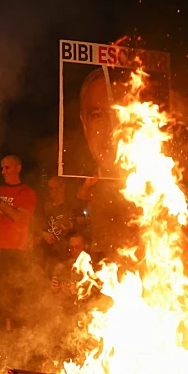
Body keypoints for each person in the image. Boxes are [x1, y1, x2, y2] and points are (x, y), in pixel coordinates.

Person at [75, 69, 138, 260]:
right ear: (84, 125)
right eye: (98, 115)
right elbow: (77, 208)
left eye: (119, 114)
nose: (111, 129)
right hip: (102, 257)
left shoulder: (154, 189)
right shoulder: (83, 179)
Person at [0, 155, 37, 329]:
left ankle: (14, 330)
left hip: (15, 249)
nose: (3, 172)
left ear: (18, 168)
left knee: (13, 293)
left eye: (7, 168)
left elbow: (18, 217)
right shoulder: (1, 190)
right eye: (2, 168)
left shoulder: (26, 192)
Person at [37, 176, 82, 265]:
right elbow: (35, 226)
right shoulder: (46, 207)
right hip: (50, 254)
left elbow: (83, 222)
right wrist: (44, 234)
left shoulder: (72, 205)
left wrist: (71, 225)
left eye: (57, 187)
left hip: (69, 252)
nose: (55, 191)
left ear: (63, 187)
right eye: (52, 189)